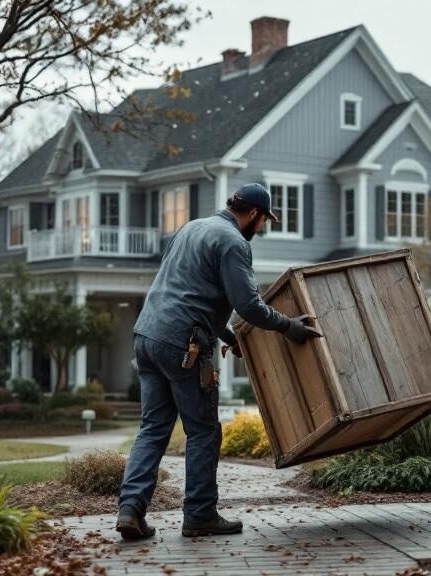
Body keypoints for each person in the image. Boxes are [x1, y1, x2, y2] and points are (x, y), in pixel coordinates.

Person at [116, 183, 321, 540]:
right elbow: (249, 306)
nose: (262, 228)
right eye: (263, 221)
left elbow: (189, 293)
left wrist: (229, 337)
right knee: (203, 431)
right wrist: (290, 327)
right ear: (254, 214)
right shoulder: (233, 243)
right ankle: (200, 515)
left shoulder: (191, 228)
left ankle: (130, 510)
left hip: (147, 336)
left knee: (153, 428)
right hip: (183, 345)